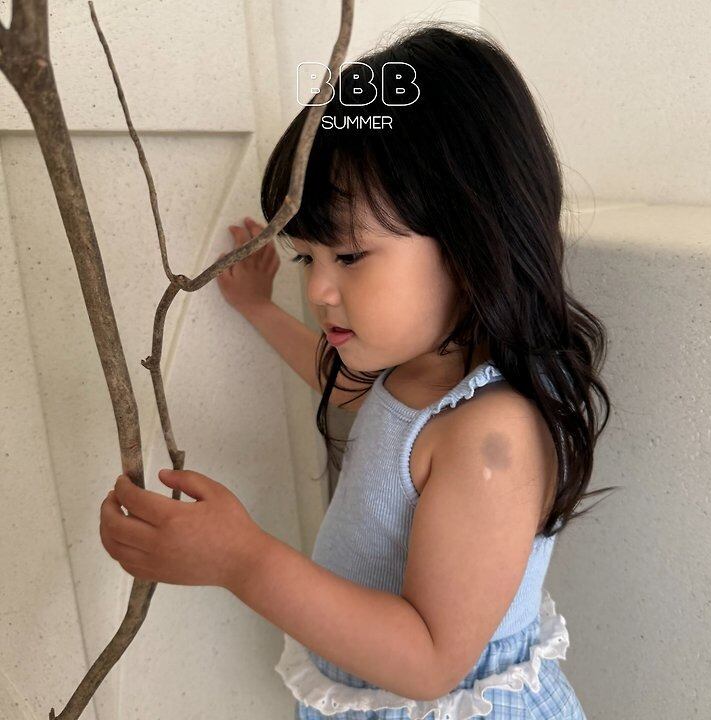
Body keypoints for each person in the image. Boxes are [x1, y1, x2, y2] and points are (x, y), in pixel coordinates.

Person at [100, 21, 618, 720]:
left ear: (475, 239)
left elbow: (431, 661)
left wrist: (242, 561)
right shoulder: (413, 374)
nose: (317, 289)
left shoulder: (490, 435)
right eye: (306, 257)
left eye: (348, 256)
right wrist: (258, 309)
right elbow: (336, 381)